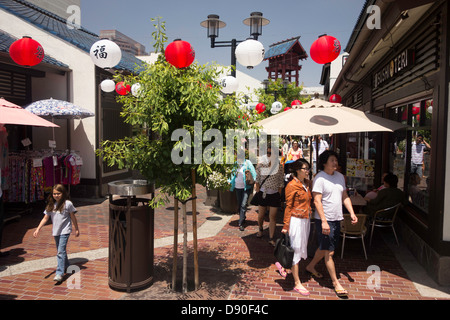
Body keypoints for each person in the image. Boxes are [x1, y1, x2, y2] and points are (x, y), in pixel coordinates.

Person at [306, 150, 357, 298]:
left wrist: (352, 213)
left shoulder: (340, 177)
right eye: (332, 160)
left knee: (324, 248)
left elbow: (345, 196)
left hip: (337, 218)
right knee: (329, 252)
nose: (335, 163)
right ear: (324, 163)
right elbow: (317, 201)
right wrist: (323, 221)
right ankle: (336, 283)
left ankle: (310, 266)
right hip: (324, 219)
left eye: (336, 160)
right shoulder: (320, 178)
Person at [277, 159, 312, 296]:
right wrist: (286, 225)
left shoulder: (306, 184)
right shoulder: (291, 185)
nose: (307, 171)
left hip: (305, 220)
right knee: (296, 250)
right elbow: (288, 207)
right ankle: (297, 283)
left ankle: (283, 264)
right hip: (296, 220)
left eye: (308, 168)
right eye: (305, 168)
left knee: (300, 247)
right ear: (297, 170)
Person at [33, 184, 80, 282]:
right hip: (56, 231)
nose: (56, 195)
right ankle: (66, 265)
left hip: (65, 230)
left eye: (58, 193)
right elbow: (45, 218)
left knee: (60, 251)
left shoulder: (68, 204)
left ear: (63, 193)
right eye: (54, 194)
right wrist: (38, 229)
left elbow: (73, 217)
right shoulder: (51, 205)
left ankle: (59, 273)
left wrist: (76, 228)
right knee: (61, 250)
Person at [255, 146, 284, 246]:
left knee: (273, 216)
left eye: (271, 153)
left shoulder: (279, 167)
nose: (269, 155)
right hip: (263, 193)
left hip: (274, 194)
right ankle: (260, 228)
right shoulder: (261, 165)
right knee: (261, 215)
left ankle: (271, 237)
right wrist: (258, 191)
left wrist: (278, 194)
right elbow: (257, 180)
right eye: (267, 153)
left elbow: (281, 182)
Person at [229, 154, 257, 231]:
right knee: (240, 204)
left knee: (243, 204)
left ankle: (240, 223)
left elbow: (253, 173)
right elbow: (232, 175)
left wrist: (256, 183)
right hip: (237, 187)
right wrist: (229, 182)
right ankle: (243, 217)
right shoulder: (235, 164)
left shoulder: (247, 163)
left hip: (246, 187)